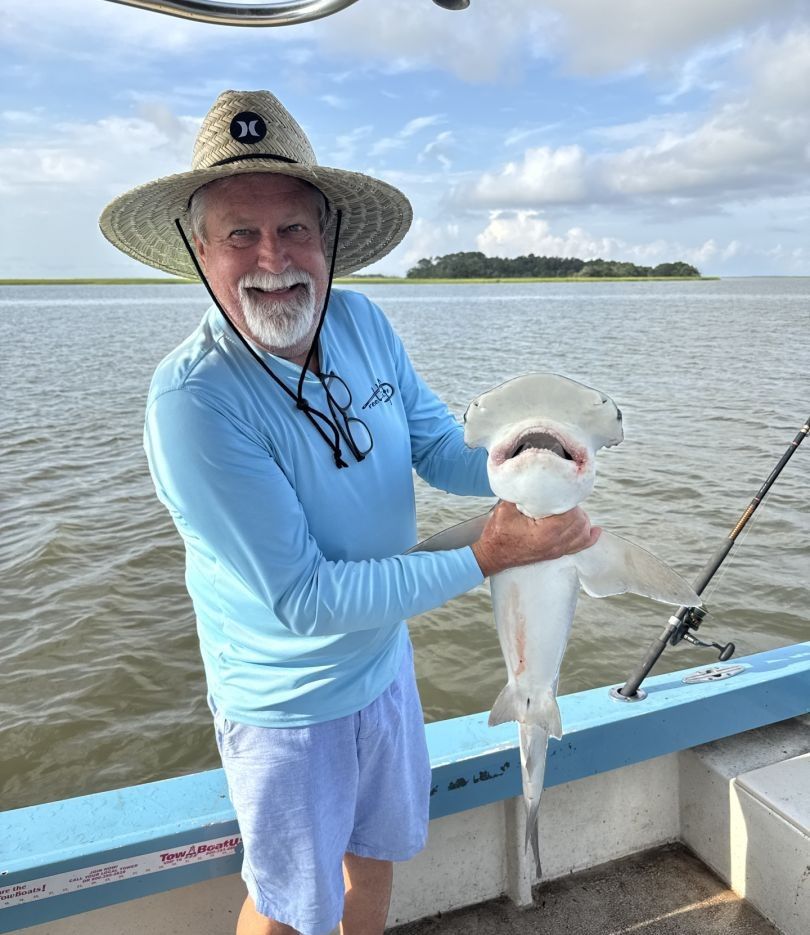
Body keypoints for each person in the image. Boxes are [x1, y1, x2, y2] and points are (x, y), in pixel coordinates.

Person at [99, 90, 597, 935]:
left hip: (383, 669)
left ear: (327, 236)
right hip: (286, 704)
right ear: (198, 248)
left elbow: (438, 445)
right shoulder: (193, 404)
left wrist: (530, 454)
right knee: (290, 906)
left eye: (294, 227)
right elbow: (305, 600)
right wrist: (488, 555)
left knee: (375, 856)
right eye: (239, 233)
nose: (272, 256)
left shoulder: (363, 319)